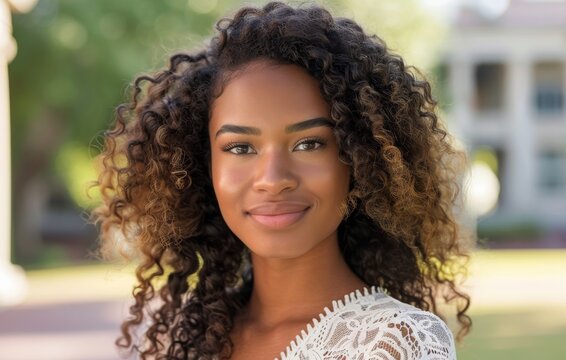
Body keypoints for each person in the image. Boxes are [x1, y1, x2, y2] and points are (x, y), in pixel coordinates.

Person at [91, 2, 473, 359]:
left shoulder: (396, 343)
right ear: (203, 165)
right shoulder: (181, 339)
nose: (273, 179)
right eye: (240, 148)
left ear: (360, 161)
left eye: (309, 143)